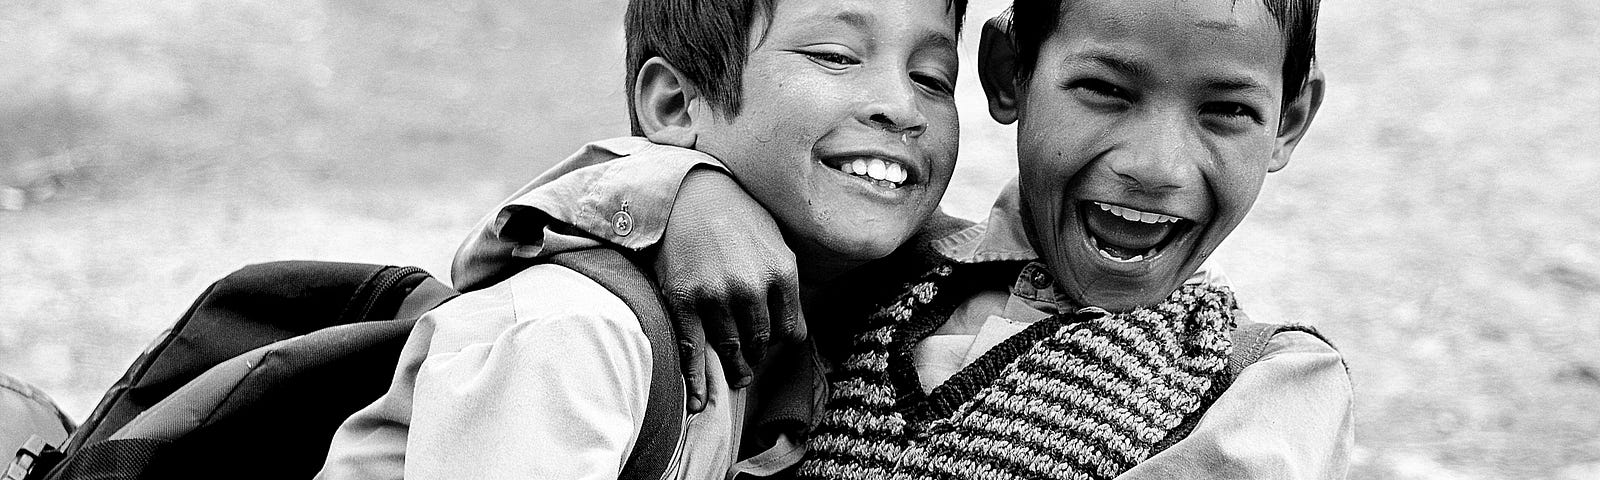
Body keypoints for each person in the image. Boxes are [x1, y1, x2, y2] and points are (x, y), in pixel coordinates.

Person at [513, 0, 1351, 478]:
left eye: (1226, 111)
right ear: (1008, 75)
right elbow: (510, 252)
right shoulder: (860, 273)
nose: (1157, 166)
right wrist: (684, 189)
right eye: (1103, 90)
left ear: (1293, 119)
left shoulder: (1262, 382)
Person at [315, 0, 969, 478]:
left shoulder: (839, 322)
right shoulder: (578, 332)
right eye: (834, 56)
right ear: (675, 107)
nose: (902, 107)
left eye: (933, 77)